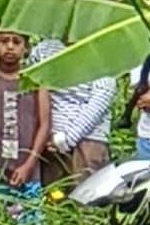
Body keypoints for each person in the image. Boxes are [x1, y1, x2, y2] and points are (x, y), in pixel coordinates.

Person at [0, 27, 52, 225]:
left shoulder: (35, 80)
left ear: (26, 48)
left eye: (16, 42)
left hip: (26, 175)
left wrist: (29, 165)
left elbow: (45, 124)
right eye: (4, 41)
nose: (10, 47)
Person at [40, 38, 113, 179]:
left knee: (85, 194)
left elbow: (101, 99)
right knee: (52, 195)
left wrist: (66, 140)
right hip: (50, 139)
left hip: (88, 139)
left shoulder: (100, 51)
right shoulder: (44, 49)